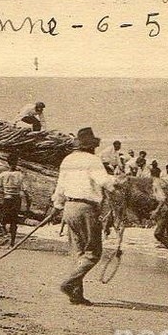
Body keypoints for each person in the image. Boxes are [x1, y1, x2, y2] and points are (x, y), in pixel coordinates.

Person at [51, 127, 118, 306]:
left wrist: (57, 205)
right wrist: (118, 181)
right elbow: (105, 182)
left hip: (69, 208)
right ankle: (68, 283)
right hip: (86, 208)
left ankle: (76, 295)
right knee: (93, 253)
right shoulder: (93, 160)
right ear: (91, 146)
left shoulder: (67, 160)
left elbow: (60, 188)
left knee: (77, 252)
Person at [0, 154, 31, 247]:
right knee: (14, 221)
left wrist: (3, 191)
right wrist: (28, 203)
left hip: (7, 199)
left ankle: (5, 235)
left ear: (7, 162)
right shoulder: (20, 175)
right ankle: (12, 243)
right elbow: (25, 190)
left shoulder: (3, 175)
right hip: (17, 200)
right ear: (16, 163)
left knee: (0, 220)